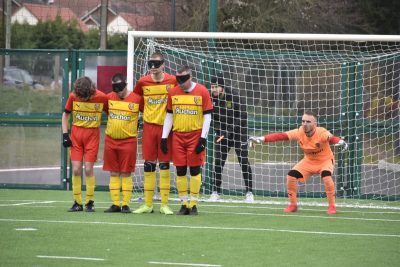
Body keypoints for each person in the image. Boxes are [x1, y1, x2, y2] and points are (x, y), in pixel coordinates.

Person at [248, 111, 348, 214]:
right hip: (308, 161)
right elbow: (281, 136)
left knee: (326, 176)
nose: (305, 124)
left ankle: (332, 206)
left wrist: (340, 141)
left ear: (315, 124)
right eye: (303, 121)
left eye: (308, 121)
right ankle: (293, 205)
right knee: (291, 175)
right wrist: (261, 139)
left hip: (325, 161)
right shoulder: (299, 132)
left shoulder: (321, 133)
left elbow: (331, 138)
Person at [161, 65, 213, 215]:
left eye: (183, 79)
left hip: (195, 135)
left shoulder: (202, 91)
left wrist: (203, 138)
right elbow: (169, 115)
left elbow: (207, 116)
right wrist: (164, 137)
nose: (181, 82)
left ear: (190, 77)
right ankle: (184, 204)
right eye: (178, 79)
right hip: (178, 136)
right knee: (180, 170)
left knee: (195, 169)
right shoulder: (173, 93)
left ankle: (194, 204)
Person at [132, 52, 177, 215]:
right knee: (149, 165)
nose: (152, 67)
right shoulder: (143, 82)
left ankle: (164, 204)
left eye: (156, 64)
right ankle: (148, 204)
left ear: (163, 64)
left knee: (164, 165)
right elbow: (136, 100)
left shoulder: (172, 81)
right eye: (150, 64)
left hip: (166, 129)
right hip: (149, 128)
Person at [61, 76, 108, 212]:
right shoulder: (73, 96)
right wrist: (65, 135)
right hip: (76, 136)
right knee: (76, 169)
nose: (83, 98)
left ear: (91, 90)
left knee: (88, 169)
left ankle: (90, 202)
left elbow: (112, 112)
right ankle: (77, 202)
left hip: (92, 136)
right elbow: (65, 115)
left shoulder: (101, 97)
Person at [209, 74, 254, 203]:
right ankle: (215, 191)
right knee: (218, 162)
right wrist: (220, 130)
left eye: (217, 87)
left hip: (239, 132)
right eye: (212, 87)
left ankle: (249, 192)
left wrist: (229, 130)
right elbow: (211, 118)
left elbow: (242, 116)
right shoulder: (211, 98)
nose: (214, 89)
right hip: (222, 134)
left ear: (222, 87)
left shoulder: (234, 96)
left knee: (243, 161)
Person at [103, 73, 142, 213]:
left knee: (126, 173)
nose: (118, 91)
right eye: (115, 88)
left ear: (125, 84)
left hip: (128, 142)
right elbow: (108, 112)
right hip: (111, 141)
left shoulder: (137, 99)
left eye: (120, 87)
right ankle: (115, 204)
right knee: (113, 172)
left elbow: (147, 112)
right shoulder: (108, 98)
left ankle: (125, 204)